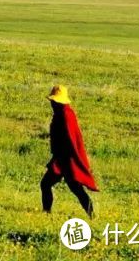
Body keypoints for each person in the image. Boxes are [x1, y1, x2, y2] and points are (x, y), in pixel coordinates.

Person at [40, 84, 98, 218]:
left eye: (53, 101)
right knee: (67, 188)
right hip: (62, 159)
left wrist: (75, 163)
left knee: (73, 188)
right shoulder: (61, 113)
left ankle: (92, 215)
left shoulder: (66, 115)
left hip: (67, 160)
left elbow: (72, 141)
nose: (52, 104)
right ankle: (46, 213)